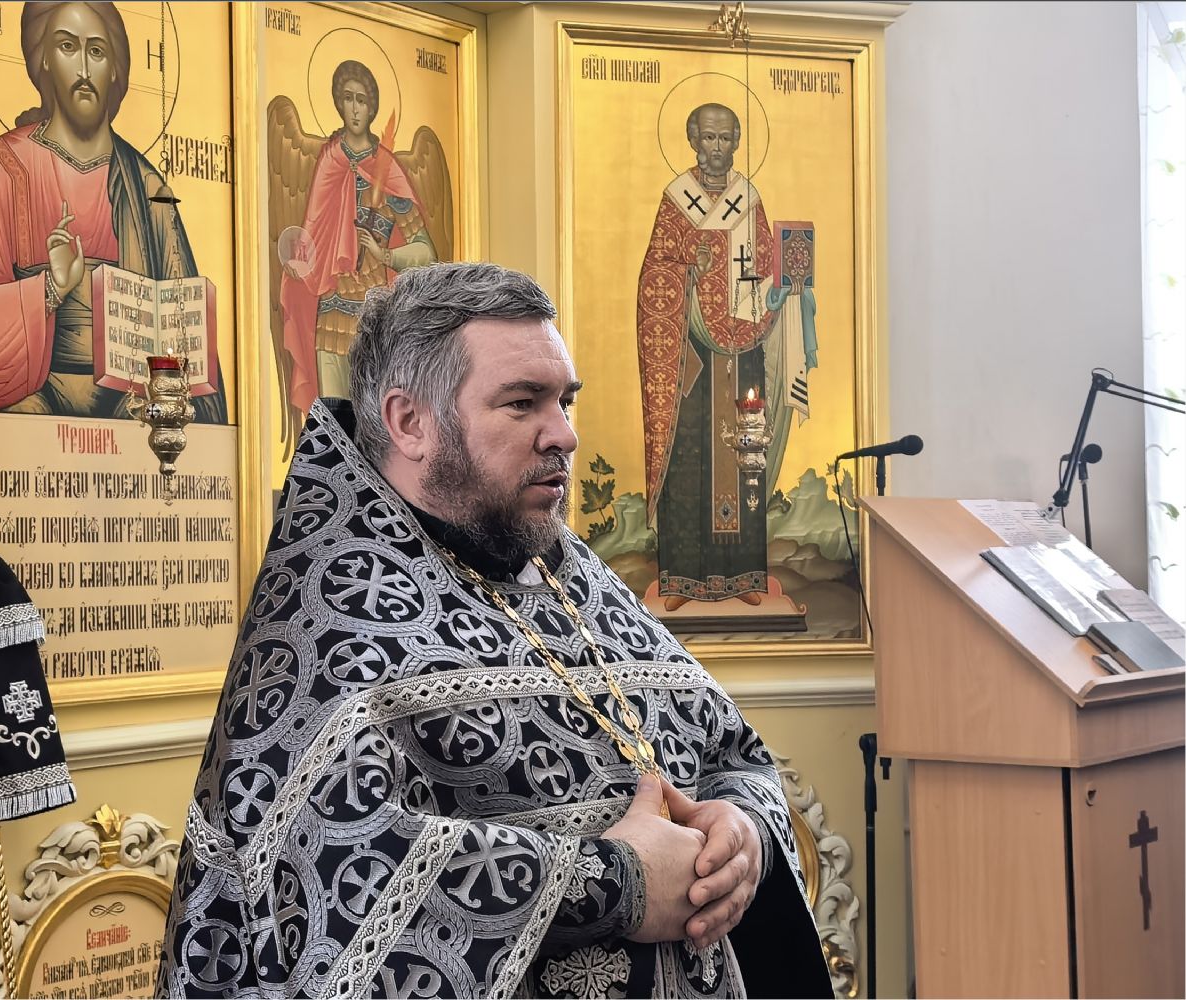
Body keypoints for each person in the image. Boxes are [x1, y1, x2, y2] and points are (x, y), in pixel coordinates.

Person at [160, 262, 830, 998]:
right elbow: (334, 884)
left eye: (565, 401)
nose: (564, 434)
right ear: (409, 422)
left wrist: (741, 832)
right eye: (522, 403)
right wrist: (615, 882)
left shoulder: (565, 571)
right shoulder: (330, 619)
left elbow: (732, 754)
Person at [0, 1, 226, 422]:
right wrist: (50, 288)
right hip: (31, 390)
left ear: (115, 70)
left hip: (129, 400)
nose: (85, 69)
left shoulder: (147, 187)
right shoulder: (4, 167)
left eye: (97, 51)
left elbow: (185, 334)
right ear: (44, 60)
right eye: (67, 47)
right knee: (22, 424)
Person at [637, 103, 816, 612]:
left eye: (725, 139)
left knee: (745, 457)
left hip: (744, 352)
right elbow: (654, 272)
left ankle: (744, 576)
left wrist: (787, 287)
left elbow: (766, 267)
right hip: (691, 357)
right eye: (708, 138)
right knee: (688, 458)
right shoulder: (677, 200)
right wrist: (686, 268)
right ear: (693, 140)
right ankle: (680, 580)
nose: (716, 148)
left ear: (736, 143)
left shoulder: (748, 199)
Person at [279, 59, 437, 408]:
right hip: (331, 313)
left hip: (373, 319)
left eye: (361, 100)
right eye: (348, 98)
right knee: (333, 421)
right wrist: (298, 262)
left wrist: (386, 255)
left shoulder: (386, 170)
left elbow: (426, 253)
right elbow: (313, 235)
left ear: (371, 108)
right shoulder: (328, 161)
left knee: (373, 421)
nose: (354, 108)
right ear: (339, 103)